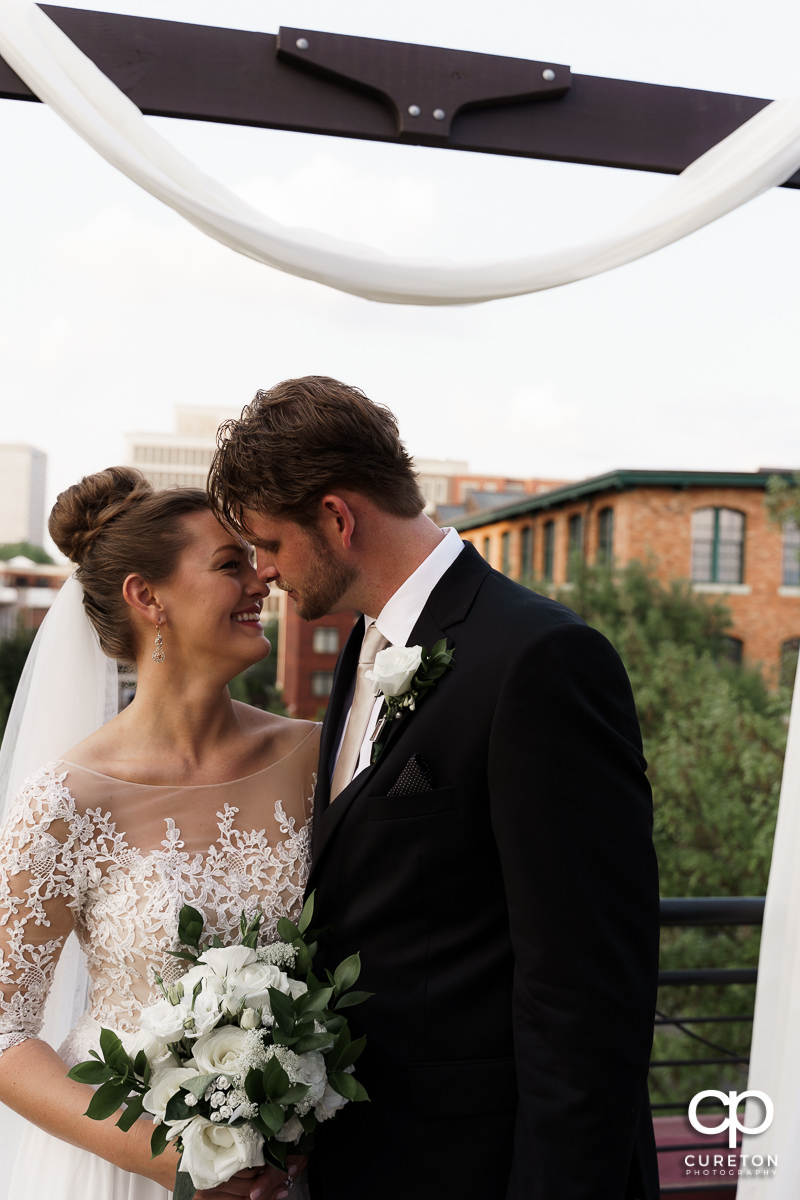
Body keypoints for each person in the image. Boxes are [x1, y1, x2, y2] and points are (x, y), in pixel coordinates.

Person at [207, 376, 662, 1200]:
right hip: (375, 1163)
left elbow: (587, 990)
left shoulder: (540, 659)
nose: (263, 571)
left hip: (487, 1171)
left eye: (269, 542)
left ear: (338, 518)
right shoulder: (361, 649)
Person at [0, 467, 319, 1200]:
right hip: (128, 1169)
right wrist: (175, 1160)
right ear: (148, 597)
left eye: (255, 560)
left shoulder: (317, 758)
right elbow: (6, 1034)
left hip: (299, 1167)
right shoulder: (66, 802)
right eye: (228, 564)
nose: (260, 580)